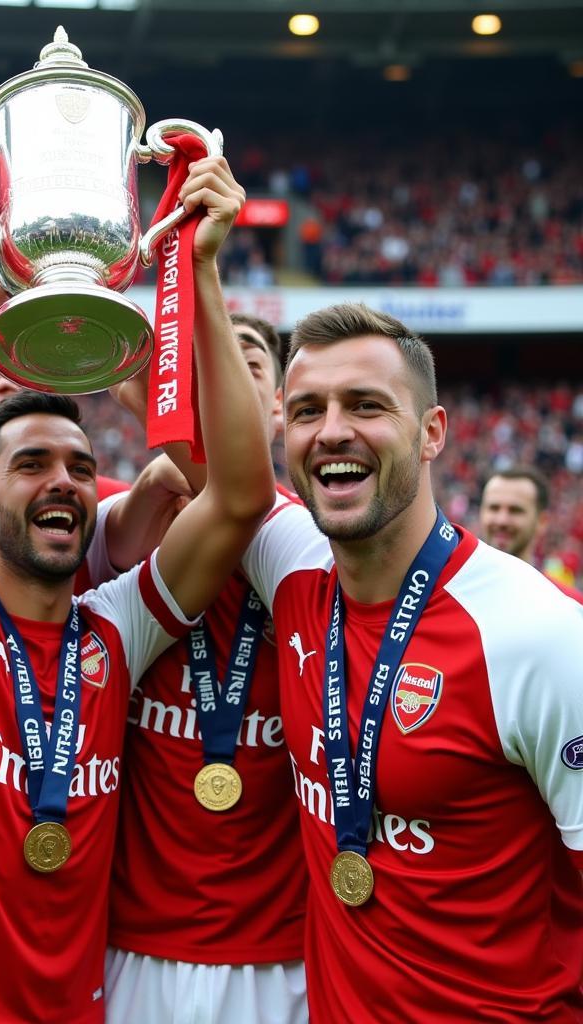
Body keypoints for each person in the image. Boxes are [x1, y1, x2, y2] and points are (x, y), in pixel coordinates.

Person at [0, 122, 273, 1023]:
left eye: (81, 466)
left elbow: (238, 498)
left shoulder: (118, 626)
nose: (64, 483)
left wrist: (198, 271)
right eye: (31, 463)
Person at [239, 302, 583, 1020]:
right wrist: (196, 265)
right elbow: (205, 460)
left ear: (432, 433)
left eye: (366, 405)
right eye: (307, 410)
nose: (332, 430)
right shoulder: (291, 565)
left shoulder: (537, 634)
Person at [105, 311, 308, 1023]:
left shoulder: (320, 549)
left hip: (281, 958)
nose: (216, 379)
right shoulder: (111, 530)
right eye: (196, 368)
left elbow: (244, 500)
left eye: (244, 363)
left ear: (280, 408)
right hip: (130, 949)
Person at [478, 465, 583, 602]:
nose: (502, 520)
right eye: (494, 508)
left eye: (515, 510)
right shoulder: (451, 589)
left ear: (542, 521)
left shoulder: (569, 605)